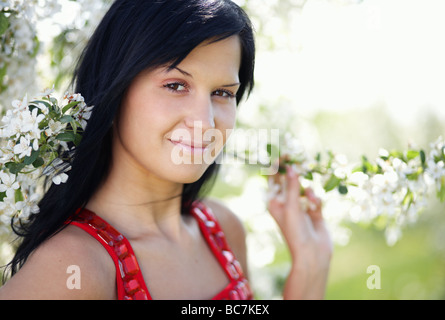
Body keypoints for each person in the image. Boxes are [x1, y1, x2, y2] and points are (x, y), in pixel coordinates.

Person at [0, 0, 332, 300]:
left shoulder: (223, 228)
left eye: (222, 93)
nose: (205, 121)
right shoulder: (73, 268)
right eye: (176, 85)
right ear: (115, 90)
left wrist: (309, 266)